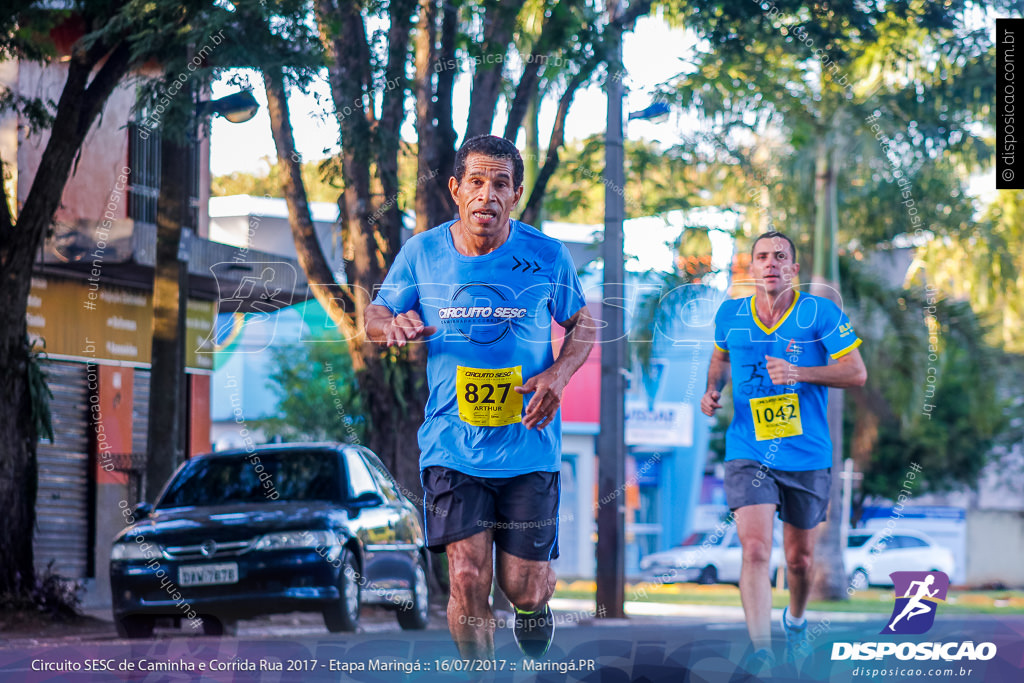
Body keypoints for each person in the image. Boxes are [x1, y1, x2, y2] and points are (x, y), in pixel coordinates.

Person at [364, 135, 595, 661]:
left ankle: (536, 607)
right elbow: (373, 316)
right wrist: (391, 325)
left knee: (522, 587)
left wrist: (558, 375)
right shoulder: (423, 253)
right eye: (476, 182)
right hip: (453, 445)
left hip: (529, 446)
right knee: (466, 576)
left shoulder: (546, 256)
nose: (486, 195)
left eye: (500, 184)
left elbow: (584, 323)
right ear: (455, 189)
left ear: (515, 196)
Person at [700, 231, 867, 673]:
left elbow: (855, 372)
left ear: (793, 268)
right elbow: (720, 358)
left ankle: (795, 619)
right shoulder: (731, 314)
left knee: (799, 559)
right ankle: (761, 649)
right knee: (755, 550)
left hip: (807, 453)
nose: (770, 263)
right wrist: (712, 389)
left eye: (780, 257)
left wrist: (800, 372)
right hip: (747, 447)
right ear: (751, 268)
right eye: (762, 257)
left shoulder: (819, 312)